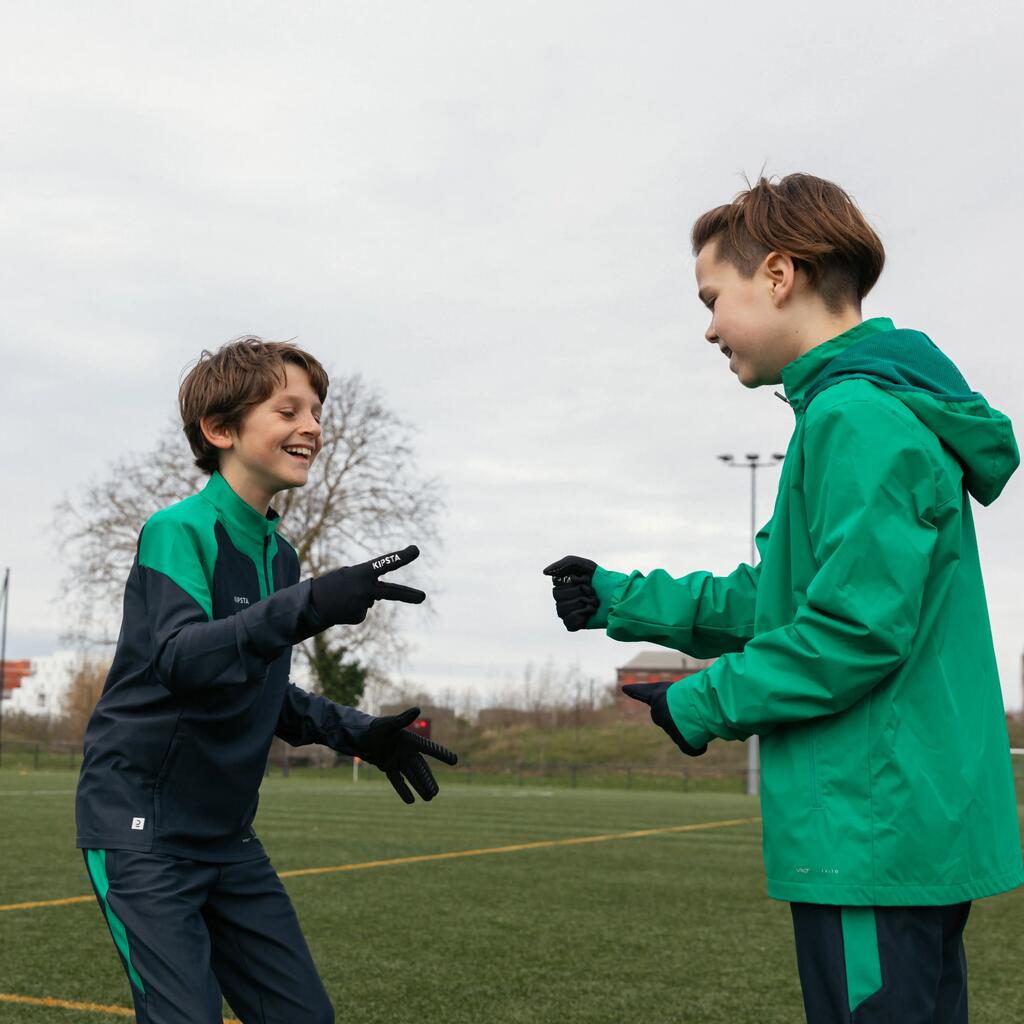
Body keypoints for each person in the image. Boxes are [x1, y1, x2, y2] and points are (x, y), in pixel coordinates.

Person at [544, 174, 1022, 1023]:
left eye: (711, 296)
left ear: (777, 274)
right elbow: (781, 597)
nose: (707, 325)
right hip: (893, 821)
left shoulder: (856, 416)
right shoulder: (857, 409)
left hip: (870, 823)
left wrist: (701, 701)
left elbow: (849, 633)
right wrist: (620, 597)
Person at [75, 336, 456, 1023]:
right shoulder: (177, 532)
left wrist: (360, 733)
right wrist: (308, 604)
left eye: (315, 410)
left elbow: (254, 688)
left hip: (226, 837)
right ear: (220, 430)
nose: (312, 424)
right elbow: (183, 660)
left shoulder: (278, 556)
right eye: (288, 410)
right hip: (143, 831)